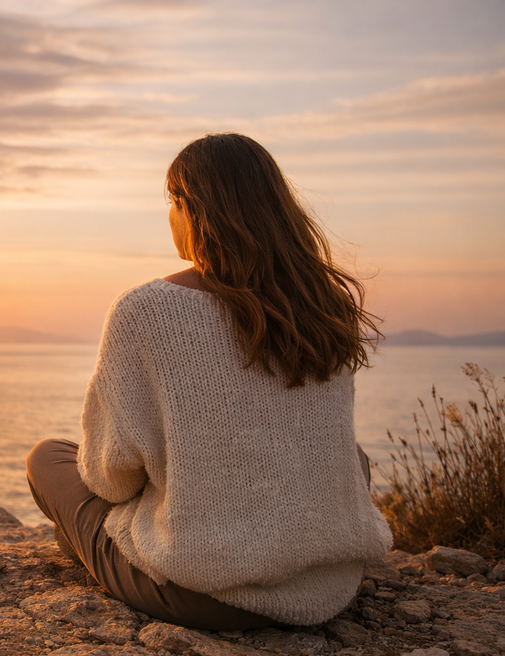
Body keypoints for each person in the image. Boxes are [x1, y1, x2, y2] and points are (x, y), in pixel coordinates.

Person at [26, 133, 393, 630]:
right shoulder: (325, 305)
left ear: (189, 208)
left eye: (171, 203)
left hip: (203, 592)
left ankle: (101, 556)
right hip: (328, 587)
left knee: (47, 457)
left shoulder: (146, 310)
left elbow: (111, 479)